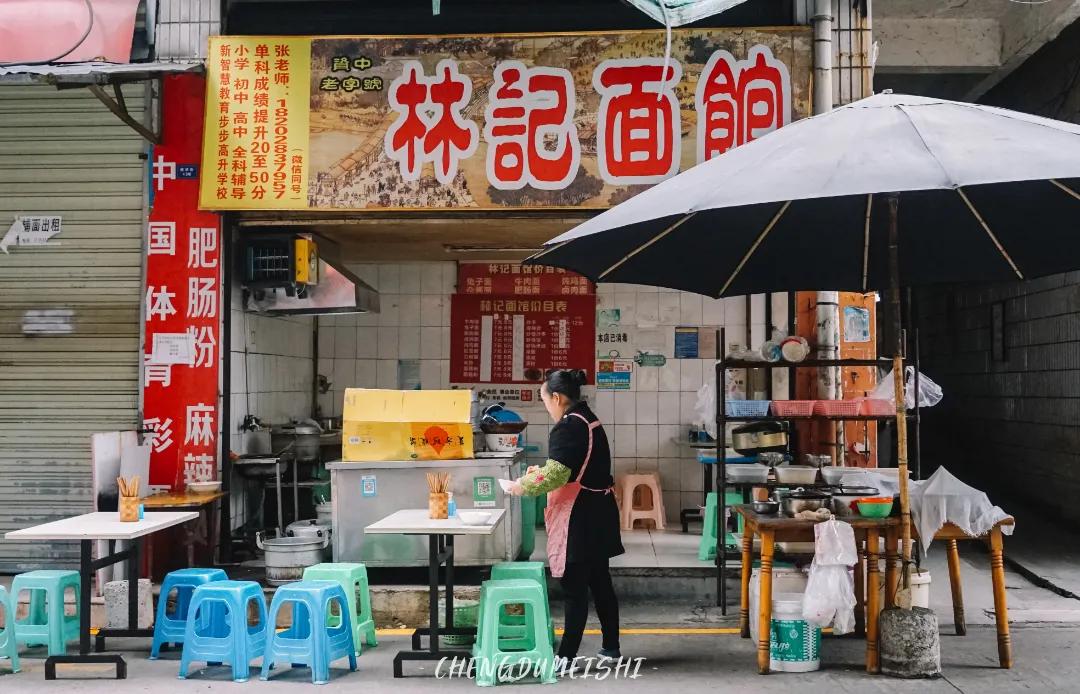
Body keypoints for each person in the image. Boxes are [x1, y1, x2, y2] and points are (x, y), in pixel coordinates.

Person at [510, 369, 624, 663]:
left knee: (574, 588)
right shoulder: (589, 418)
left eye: (545, 400)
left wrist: (521, 486)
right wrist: (541, 474)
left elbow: (558, 473)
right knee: (600, 582)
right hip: (598, 512)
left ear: (558, 398)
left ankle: (567, 657)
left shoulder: (568, 426)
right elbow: (570, 467)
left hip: (580, 516)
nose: (546, 407)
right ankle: (611, 647)